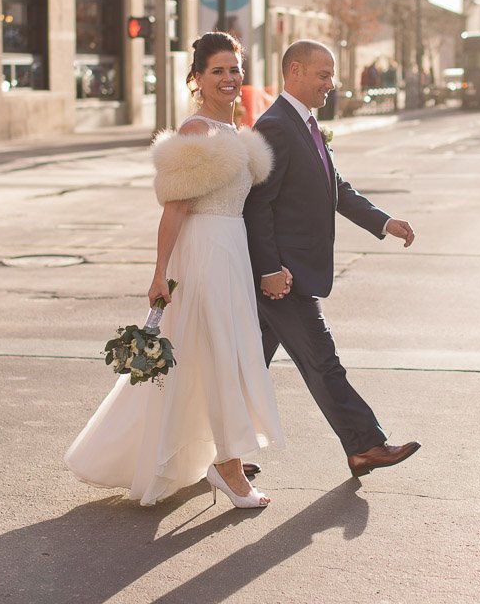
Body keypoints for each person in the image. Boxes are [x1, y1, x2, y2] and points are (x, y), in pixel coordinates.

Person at [65, 32, 286, 508]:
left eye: (235, 69)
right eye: (217, 71)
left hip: (233, 253)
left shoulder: (237, 134)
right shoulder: (194, 132)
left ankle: (218, 459)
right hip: (203, 254)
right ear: (198, 79)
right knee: (219, 355)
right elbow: (174, 210)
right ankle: (230, 470)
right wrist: (159, 271)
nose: (229, 79)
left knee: (208, 357)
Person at [244, 39, 421, 478]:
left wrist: (384, 222)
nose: (331, 83)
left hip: (289, 273)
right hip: (284, 278)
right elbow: (257, 205)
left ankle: (222, 452)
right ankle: (365, 445)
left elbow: (335, 188)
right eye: (323, 75)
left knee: (246, 366)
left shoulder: (305, 123)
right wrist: (268, 269)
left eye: (332, 75)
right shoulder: (277, 127)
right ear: (295, 72)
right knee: (323, 361)